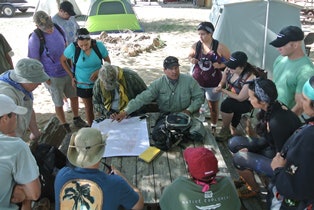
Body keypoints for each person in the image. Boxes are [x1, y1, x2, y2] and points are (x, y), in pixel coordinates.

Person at [227, 78, 301, 198]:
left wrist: (251, 152)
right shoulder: (273, 106)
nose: (249, 99)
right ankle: (246, 177)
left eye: (251, 97)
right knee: (234, 142)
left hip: (286, 166)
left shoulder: (277, 122)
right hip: (272, 148)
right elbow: (267, 140)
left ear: (262, 101)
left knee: (238, 158)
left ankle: (254, 189)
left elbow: (282, 157)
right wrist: (251, 149)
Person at [54, 127, 144, 210]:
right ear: (101, 152)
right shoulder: (116, 183)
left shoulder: (62, 174)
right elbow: (138, 205)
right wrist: (123, 178)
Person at [29, 11, 88, 133]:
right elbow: (34, 61)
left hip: (67, 71)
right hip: (51, 75)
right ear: (37, 26)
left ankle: (76, 118)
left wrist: (73, 70)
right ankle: (64, 124)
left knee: (74, 96)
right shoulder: (35, 38)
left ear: (51, 19)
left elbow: (67, 50)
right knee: (58, 101)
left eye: (50, 26)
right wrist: (45, 78)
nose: (49, 30)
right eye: (45, 28)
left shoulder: (59, 28)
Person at [113, 56, 204, 122]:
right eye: (170, 68)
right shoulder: (158, 84)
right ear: (164, 70)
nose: (174, 71)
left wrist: (189, 110)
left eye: (176, 68)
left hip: (185, 116)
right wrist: (125, 112)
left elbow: (200, 97)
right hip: (165, 117)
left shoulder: (189, 81)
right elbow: (141, 99)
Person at [271, 76, 314, 209]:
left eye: (305, 99)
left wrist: (278, 169)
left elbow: (295, 187)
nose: (301, 101)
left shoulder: (309, 138)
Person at [159, 147, 241, 210]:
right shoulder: (227, 183)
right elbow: (236, 205)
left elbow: (163, 204)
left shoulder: (177, 186)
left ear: (188, 170)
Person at [60, 28, 111, 126]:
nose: (84, 48)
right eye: (81, 45)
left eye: (86, 45)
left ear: (90, 40)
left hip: (100, 82)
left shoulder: (98, 46)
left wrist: (99, 71)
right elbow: (62, 60)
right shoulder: (72, 48)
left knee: (102, 105)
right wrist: (72, 76)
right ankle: (92, 127)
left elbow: (108, 62)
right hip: (82, 84)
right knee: (88, 107)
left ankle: (105, 126)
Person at [0, 94, 41, 210]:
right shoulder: (16, 146)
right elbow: (34, 193)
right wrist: (24, 198)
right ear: (5, 118)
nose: (16, 119)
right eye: (14, 115)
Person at [189, 21, 230, 133]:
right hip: (197, 82)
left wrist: (221, 65)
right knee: (196, 105)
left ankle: (213, 126)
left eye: (203, 34)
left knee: (213, 107)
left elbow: (231, 62)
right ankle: (195, 125)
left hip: (213, 83)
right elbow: (190, 55)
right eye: (199, 34)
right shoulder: (196, 46)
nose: (200, 37)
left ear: (210, 33)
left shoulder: (220, 47)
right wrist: (192, 59)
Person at [0, 58, 49, 140]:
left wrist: (35, 133)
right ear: (26, 81)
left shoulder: (23, 86)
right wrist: (17, 145)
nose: (40, 84)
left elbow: (29, 109)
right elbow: (6, 127)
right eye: (37, 81)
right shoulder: (6, 94)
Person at [270, 25, 314, 116]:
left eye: (282, 45)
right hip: (272, 111)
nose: (278, 48)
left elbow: (300, 106)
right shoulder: (280, 59)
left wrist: (283, 121)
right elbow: (274, 82)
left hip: (285, 119)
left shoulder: (306, 71)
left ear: (295, 45)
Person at [214, 51, 255, 141]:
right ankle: (231, 128)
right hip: (233, 97)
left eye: (233, 67)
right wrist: (220, 86)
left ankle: (225, 129)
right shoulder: (229, 69)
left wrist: (223, 90)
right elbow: (223, 81)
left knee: (226, 104)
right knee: (230, 104)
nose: (230, 68)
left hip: (246, 102)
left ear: (242, 67)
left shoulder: (249, 77)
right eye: (230, 65)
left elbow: (240, 98)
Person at [52, 1, 80, 113]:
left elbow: (77, 30)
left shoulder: (71, 18)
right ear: (61, 11)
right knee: (64, 77)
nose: (69, 16)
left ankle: (75, 96)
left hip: (75, 51)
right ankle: (66, 102)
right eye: (67, 14)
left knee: (74, 76)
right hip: (63, 54)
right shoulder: (54, 21)